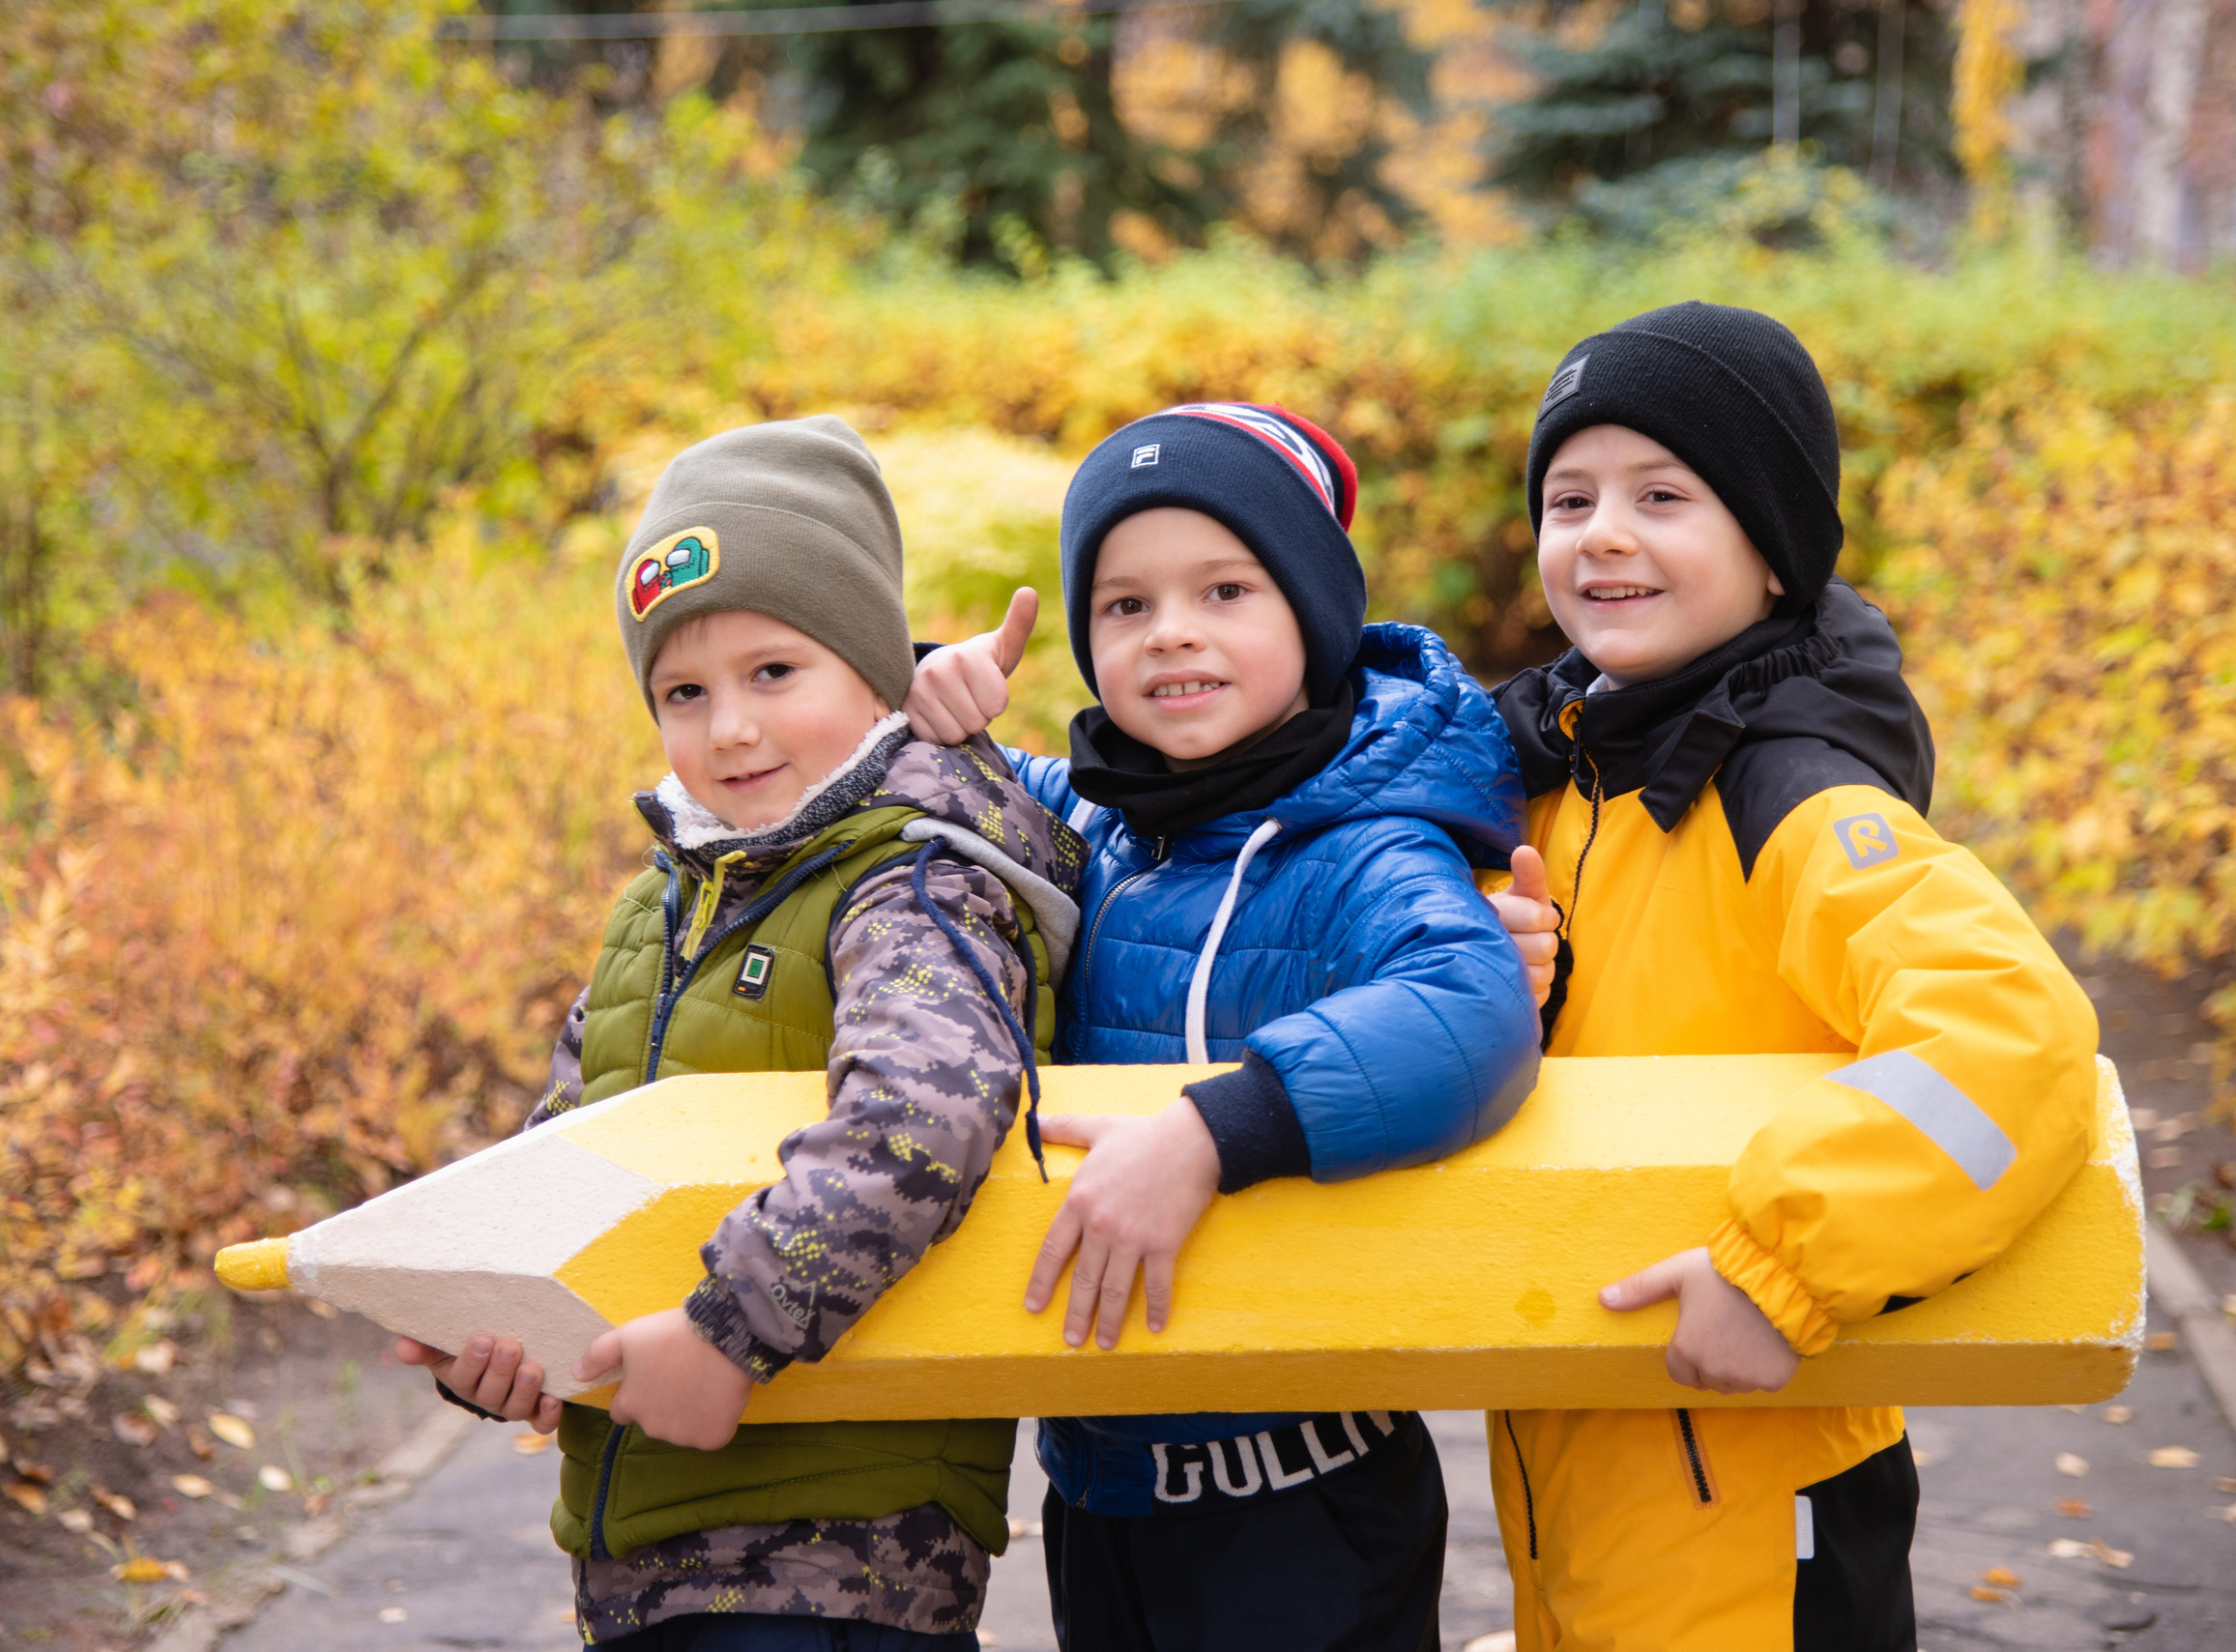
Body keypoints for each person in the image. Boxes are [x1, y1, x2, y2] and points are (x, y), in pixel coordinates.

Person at [393, 415, 1087, 1652]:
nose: (730, 729)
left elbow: (924, 1112)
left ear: (877, 666)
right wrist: (489, 1321)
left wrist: (728, 1332)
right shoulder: (664, 905)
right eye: (684, 691)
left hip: (833, 1552)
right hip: (649, 1546)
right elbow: (567, 1159)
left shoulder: (909, 878)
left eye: (775, 672)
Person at [1479, 303, 2102, 1650]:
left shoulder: (1790, 794)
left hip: (1757, 1483)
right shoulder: (1574, 777)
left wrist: (1785, 1268)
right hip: (1595, 1458)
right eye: (1569, 496)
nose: (1603, 532)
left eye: (1665, 495)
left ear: (1773, 553)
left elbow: (2011, 1032)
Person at [907, 401, 1540, 1651]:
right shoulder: (1103, 824)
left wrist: (1211, 1132)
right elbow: (943, 767)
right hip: (1104, 1489)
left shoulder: (1365, 845)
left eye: (1225, 590)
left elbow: (1469, 1006)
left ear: (1311, 614)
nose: (1171, 632)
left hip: (1297, 1501)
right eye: (1125, 605)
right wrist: (925, 680)